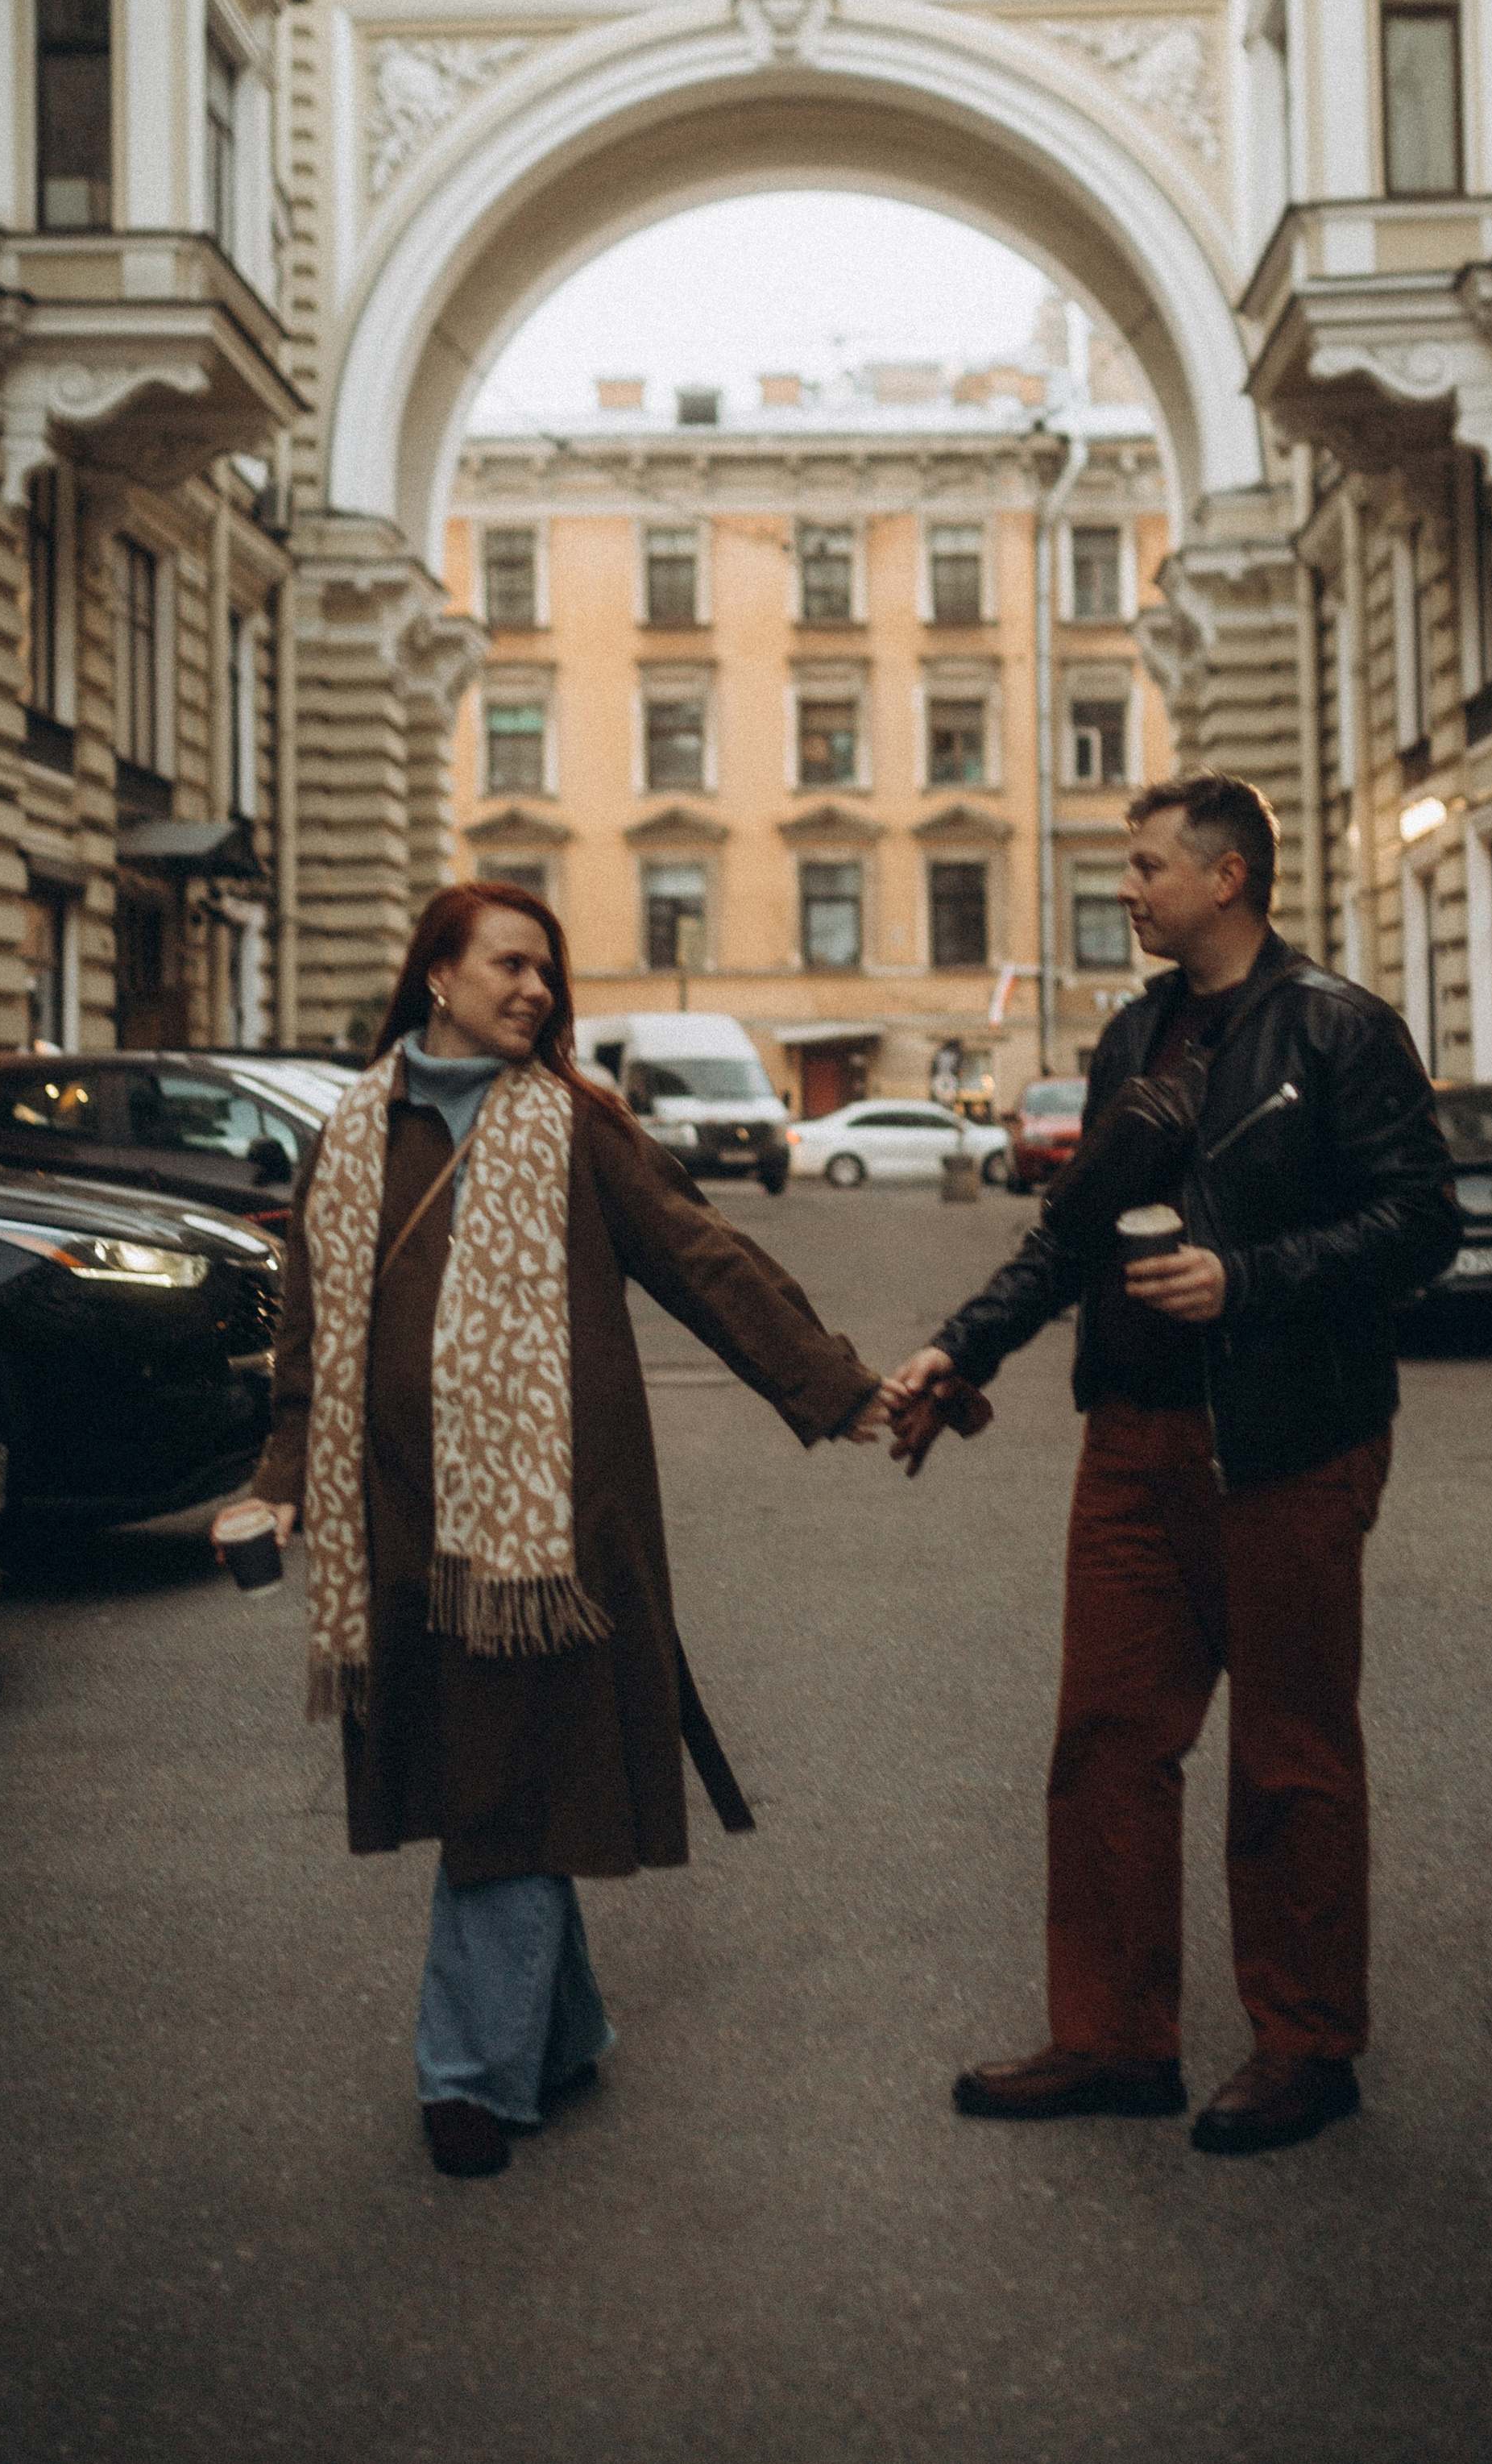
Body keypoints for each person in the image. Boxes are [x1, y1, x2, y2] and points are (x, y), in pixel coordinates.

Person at [213, 881, 896, 2180]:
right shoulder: (353, 1132)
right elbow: (309, 1340)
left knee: (507, 1774)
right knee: (503, 1776)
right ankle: (562, 2031)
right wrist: (280, 1480)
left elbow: (706, 1259)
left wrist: (833, 1382)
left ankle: (466, 2078)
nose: (536, 989)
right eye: (510, 966)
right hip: (400, 1519)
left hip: (547, 1531)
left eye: (547, 971)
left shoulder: (580, 1127)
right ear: (440, 978)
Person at [887, 774, 1459, 2154]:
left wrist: (1250, 1278)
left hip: (1287, 1444)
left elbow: (1424, 1222)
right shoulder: (1134, 1033)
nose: (1127, 890)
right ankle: (1112, 2037)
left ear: (1229, 877)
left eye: (1147, 868)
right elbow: (1075, 1235)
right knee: (1104, 1743)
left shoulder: (1339, 1029)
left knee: (1290, 1754)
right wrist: (962, 1349)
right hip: (1133, 1437)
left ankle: (1309, 2046)